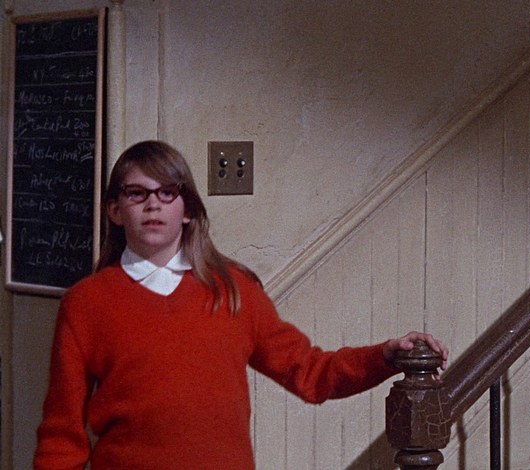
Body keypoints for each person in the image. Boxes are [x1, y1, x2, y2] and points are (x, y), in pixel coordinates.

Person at [34, 140, 448, 469]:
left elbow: (309, 372)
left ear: (187, 210)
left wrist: (385, 355)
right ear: (115, 210)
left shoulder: (234, 291)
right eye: (137, 193)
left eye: (167, 192)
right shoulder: (86, 303)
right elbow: (61, 433)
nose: (153, 204)